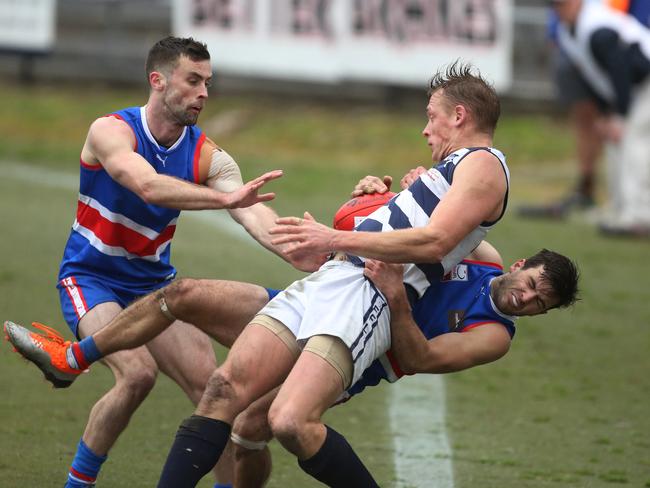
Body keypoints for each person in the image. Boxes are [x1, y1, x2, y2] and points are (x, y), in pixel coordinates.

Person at [149, 61, 511, 487]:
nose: (425, 129)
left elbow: (433, 242)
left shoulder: (484, 163)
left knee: (291, 422)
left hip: (365, 297)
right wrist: (373, 201)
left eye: (432, 116)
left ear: (459, 116)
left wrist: (331, 238)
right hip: (335, 277)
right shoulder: (455, 169)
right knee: (223, 390)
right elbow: (407, 226)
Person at [4, 241, 580, 487]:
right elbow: (430, 228)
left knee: (257, 426)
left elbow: (418, 356)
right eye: (532, 285)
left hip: (361, 351)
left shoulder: (495, 336)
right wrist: (378, 193)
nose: (527, 300)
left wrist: (398, 299)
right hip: (323, 300)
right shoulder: (486, 256)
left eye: (540, 304)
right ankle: (72, 357)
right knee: (182, 296)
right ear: (523, 264)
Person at [41, 35, 301, 488]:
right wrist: (224, 199)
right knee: (137, 374)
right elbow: (148, 186)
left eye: (208, 83)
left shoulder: (206, 154)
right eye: (193, 80)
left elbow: (252, 213)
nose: (203, 93)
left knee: (215, 393)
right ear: (157, 80)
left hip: (155, 287)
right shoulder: (111, 131)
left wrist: (305, 250)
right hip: (91, 279)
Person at [518, 0, 650, 220]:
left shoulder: (596, 27)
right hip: (634, 87)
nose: (559, 10)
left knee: (634, 140)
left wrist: (619, 114)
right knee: (616, 142)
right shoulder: (568, 30)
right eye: (555, 6)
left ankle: (641, 213)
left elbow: (622, 70)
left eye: (563, 4)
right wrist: (606, 113)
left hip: (644, 81)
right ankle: (620, 208)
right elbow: (595, 75)